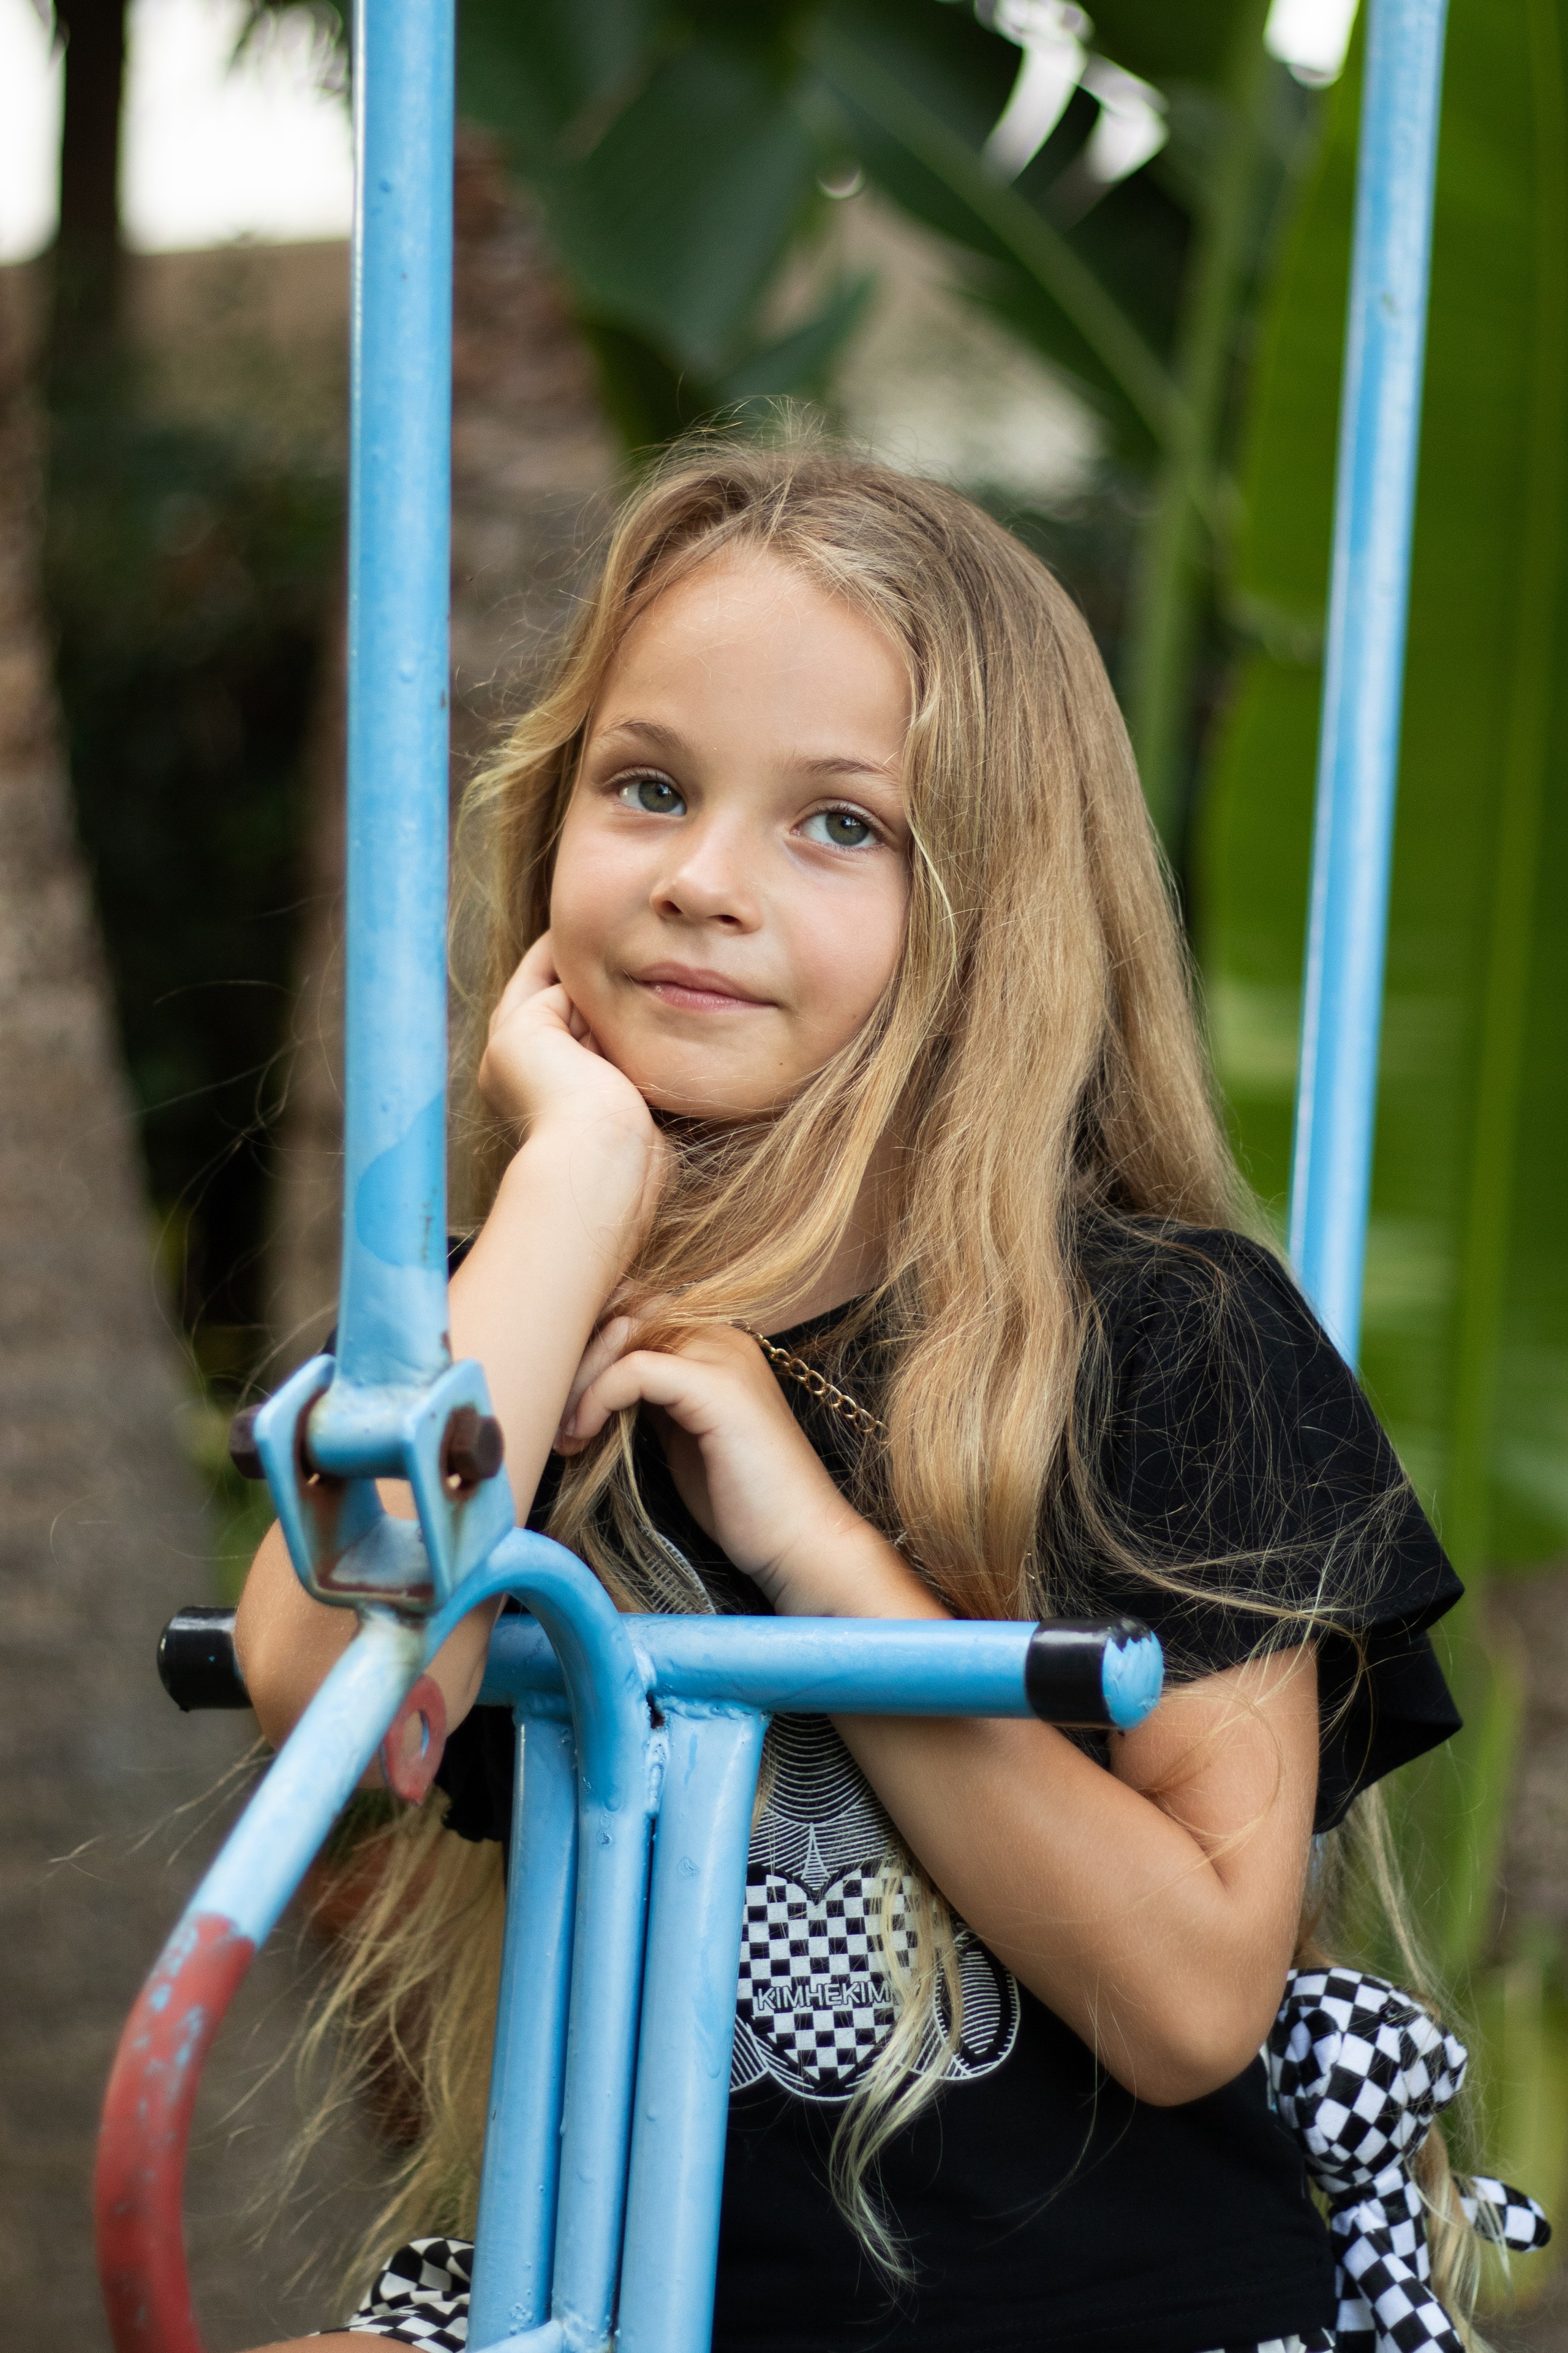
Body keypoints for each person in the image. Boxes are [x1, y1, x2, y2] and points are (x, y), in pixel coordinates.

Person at [235, 435, 1480, 2353]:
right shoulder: (510, 1321)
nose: (701, 883)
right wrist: (575, 1181)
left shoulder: (1171, 1338)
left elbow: (1189, 2001)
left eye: (839, 824)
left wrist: (822, 1558)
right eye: (649, 788)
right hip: (618, 2301)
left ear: (994, 901)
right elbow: (323, 1689)